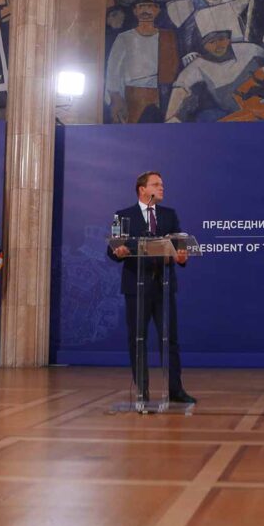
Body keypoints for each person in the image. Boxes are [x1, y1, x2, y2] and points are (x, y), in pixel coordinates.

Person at [107, 171, 195, 404]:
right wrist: (120, 251)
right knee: (138, 339)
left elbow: (179, 247)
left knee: (171, 339)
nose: (162, 187)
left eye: (162, 184)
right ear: (142, 189)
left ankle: (175, 390)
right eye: (156, 184)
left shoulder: (169, 215)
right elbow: (113, 249)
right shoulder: (122, 215)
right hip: (136, 287)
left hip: (163, 287)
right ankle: (142, 391)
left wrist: (182, 257)